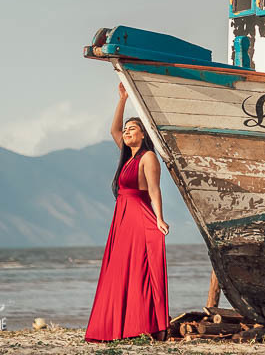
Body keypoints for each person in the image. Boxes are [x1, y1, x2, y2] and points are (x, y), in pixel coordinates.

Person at [85, 83, 170, 342]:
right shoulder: (128, 157)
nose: (126, 131)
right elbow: (113, 129)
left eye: (132, 129)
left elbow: (154, 191)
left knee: (140, 270)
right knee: (119, 271)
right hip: (121, 219)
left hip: (138, 216)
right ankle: (118, 327)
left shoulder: (147, 158)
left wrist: (159, 219)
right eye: (127, 130)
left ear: (143, 135)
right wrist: (122, 99)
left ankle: (149, 324)